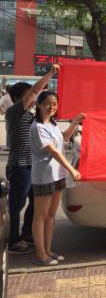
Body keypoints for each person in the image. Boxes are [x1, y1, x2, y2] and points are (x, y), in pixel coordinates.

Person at [5, 67, 57, 254]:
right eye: (29, 95)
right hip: (20, 166)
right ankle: (13, 240)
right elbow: (36, 90)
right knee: (16, 206)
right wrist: (50, 74)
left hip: (33, 167)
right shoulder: (15, 112)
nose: (34, 98)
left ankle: (27, 234)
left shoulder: (31, 116)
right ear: (19, 98)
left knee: (36, 202)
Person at [30, 90, 83, 266]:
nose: (51, 107)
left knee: (50, 215)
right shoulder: (37, 127)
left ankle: (48, 250)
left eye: (54, 104)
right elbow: (54, 152)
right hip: (44, 176)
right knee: (40, 216)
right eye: (47, 103)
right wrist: (72, 169)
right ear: (38, 105)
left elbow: (64, 138)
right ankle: (40, 254)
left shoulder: (52, 124)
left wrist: (75, 122)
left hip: (57, 175)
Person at [0, 85, 13, 150]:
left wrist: (2, 111)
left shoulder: (4, 97)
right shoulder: (15, 97)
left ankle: (8, 146)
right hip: (18, 115)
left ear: (6, 90)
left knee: (9, 131)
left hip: (8, 116)